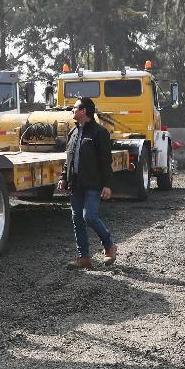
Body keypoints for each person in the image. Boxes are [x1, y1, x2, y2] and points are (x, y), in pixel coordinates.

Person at [56, 97, 117, 269]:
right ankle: (83, 257)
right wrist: (63, 178)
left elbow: (106, 161)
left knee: (89, 216)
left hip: (93, 183)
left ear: (83, 111)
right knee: (77, 219)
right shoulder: (73, 132)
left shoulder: (99, 133)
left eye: (75, 108)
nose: (72, 110)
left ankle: (109, 245)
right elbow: (69, 160)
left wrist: (107, 185)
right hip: (76, 184)